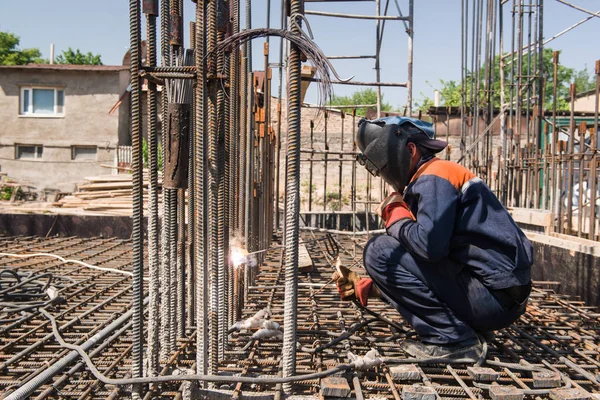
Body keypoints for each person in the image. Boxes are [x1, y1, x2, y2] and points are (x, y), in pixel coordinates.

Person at [333, 116, 533, 361]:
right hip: (502, 298)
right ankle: (466, 330)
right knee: (390, 250)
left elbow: (430, 248)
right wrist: (375, 288)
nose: (385, 175)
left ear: (410, 149)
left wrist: (395, 215)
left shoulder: (435, 176)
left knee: (379, 251)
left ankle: (455, 340)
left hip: (492, 299)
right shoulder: (437, 177)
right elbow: (435, 265)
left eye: (384, 166)